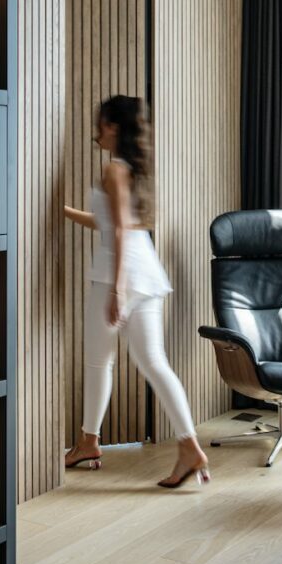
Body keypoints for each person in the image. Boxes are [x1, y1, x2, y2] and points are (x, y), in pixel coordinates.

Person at [64, 95, 210, 488]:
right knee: (154, 363)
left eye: (100, 122)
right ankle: (188, 445)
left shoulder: (113, 169)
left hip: (117, 276)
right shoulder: (127, 170)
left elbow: (118, 231)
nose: (96, 130)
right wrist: (64, 211)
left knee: (99, 362)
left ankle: (88, 441)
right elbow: (109, 221)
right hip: (146, 274)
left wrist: (116, 289)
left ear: (112, 126)